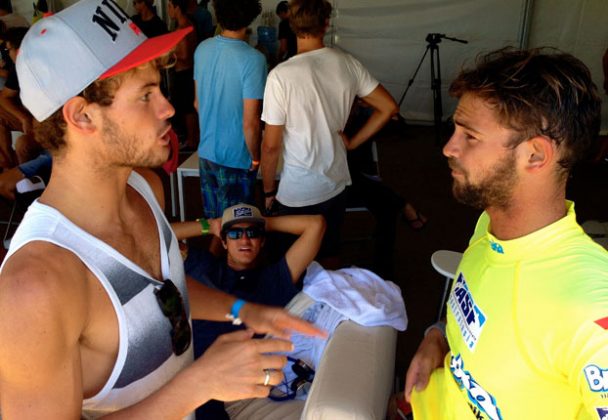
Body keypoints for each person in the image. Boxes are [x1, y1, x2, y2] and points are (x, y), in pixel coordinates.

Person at [0, 1, 323, 418]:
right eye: (146, 95)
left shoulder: (145, 188)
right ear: (81, 116)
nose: (168, 108)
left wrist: (244, 310)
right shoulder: (36, 286)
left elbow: (164, 295)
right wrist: (197, 384)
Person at [404, 48, 608, 420]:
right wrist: (438, 335)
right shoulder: (493, 224)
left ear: (534, 156)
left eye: (470, 136)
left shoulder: (588, 304)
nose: (449, 148)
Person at [261, 0, 398, 267]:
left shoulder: (281, 76)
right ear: (326, 24)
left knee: (291, 262)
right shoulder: (347, 63)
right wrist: (353, 142)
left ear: (290, 23)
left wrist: (268, 191)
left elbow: (270, 147)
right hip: (335, 181)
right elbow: (388, 107)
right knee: (330, 249)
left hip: (297, 190)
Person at [193, 0, 266, 223]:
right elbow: (250, 122)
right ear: (250, 18)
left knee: (215, 224)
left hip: (206, 152)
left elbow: (197, 103)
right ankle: (216, 258)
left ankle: (211, 257)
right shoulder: (254, 59)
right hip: (236, 157)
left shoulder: (202, 49)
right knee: (236, 227)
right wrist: (255, 158)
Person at [0, 26, 41, 169]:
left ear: (18, 51)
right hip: (32, 117)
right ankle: (8, 167)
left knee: (23, 144)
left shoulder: (41, 65)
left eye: (8, 49)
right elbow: (4, 97)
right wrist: (23, 118)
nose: (7, 53)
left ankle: (25, 178)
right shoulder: (18, 68)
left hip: (50, 123)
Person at [167, 0, 198, 150]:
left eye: (169, 6)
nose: (168, 10)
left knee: (188, 109)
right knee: (187, 108)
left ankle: (192, 140)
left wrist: (171, 54)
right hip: (185, 72)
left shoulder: (184, 27)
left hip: (185, 72)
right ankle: (191, 139)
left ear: (176, 7)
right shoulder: (187, 25)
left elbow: (185, 54)